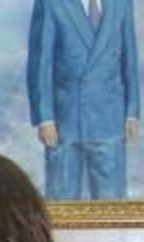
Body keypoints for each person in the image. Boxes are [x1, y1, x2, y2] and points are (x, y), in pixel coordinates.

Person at [27, 0, 140, 200]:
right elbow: (41, 63)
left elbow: (129, 59)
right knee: (62, 202)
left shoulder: (122, 3)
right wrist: (45, 118)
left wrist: (132, 111)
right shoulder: (51, 3)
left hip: (109, 119)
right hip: (64, 121)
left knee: (111, 204)